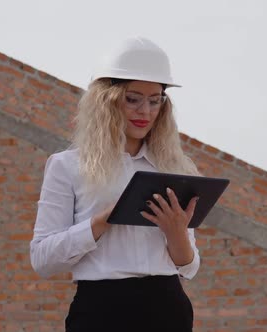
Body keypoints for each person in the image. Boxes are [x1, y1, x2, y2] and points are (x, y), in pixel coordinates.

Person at [30, 36, 201, 332]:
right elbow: (42, 259)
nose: (145, 111)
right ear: (106, 100)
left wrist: (177, 233)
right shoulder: (67, 166)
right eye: (132, 99)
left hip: (168, 308)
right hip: (100, 311)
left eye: (155, 100)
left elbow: (190, 267)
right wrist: (102, 221)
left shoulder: (174, 170)